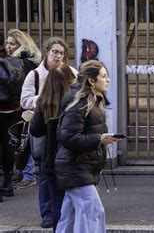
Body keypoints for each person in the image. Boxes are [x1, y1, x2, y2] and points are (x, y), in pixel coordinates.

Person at [20, 37, 77, 228]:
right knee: (46, 174)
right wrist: (45, 98)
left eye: (62, 53)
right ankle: (47, 212)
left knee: (59, 175)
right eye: (55, 52)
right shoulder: (35, 75)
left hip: (65, 133)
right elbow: (25, 100)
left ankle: (61, 214)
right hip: (46, 130)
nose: (58, 56)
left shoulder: (71, 72)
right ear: (46, 52)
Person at [55, 60, 117, 233]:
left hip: (79, 167)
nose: (108, 80)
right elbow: (68, 137)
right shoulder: (81, 102)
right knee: (93, 212)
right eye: (104, 76)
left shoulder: (92, 100)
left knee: (71, 216)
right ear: (91, 81)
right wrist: (99, 139)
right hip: (75, 168)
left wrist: (99, 139)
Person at [30, 64, 76, 230]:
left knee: (57, 204)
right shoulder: (76, 100)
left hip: (51, 159)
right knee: (78, 205)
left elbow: (36, 131)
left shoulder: (44, 101)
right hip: (74, 159)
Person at [0, 31, 39, 201]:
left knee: (11, 146)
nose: (8, 47)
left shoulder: (19, 64)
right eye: (7, 43)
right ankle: (10, 180)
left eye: (12, 44)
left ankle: (21, 177)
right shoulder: (27, 63)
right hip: (16, 110)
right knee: (10, 146)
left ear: (22, 45)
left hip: (15, 110)